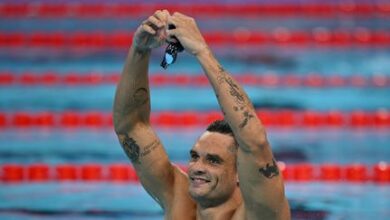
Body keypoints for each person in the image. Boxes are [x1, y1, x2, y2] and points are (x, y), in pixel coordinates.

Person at [113, 10, 290, 220]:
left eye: (213, 161)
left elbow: (255, 141)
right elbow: (130, 127)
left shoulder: (260, 213)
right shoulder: (179, 200)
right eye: (195, 157)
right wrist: (139, 50)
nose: (197, 168)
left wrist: (201, 51)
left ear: (240, 175)